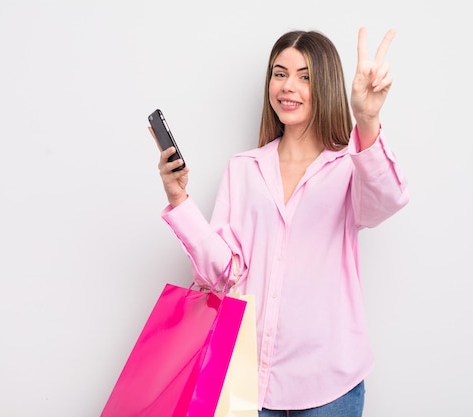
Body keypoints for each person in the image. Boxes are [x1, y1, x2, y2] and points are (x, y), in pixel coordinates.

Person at [150, 27, 409, 417]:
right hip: (242, 378)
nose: (288, 86)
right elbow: (223, 275)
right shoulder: (244, 169)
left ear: (323, 84)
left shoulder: (348, 167)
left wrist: (368, 120)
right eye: (279, 73)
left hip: (329, 382)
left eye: (304, 76)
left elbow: (385, 201)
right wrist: (179, 201)